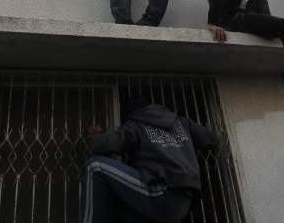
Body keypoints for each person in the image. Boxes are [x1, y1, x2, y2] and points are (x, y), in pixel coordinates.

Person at [82, 95, 220, 223]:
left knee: (95, 167)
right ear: (151, 105)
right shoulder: (182, 122)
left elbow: (105, 144)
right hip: (185, 202)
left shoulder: (134, 124)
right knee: (117, 209)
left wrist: (96, 135)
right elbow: (212, 138)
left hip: (163, 193)